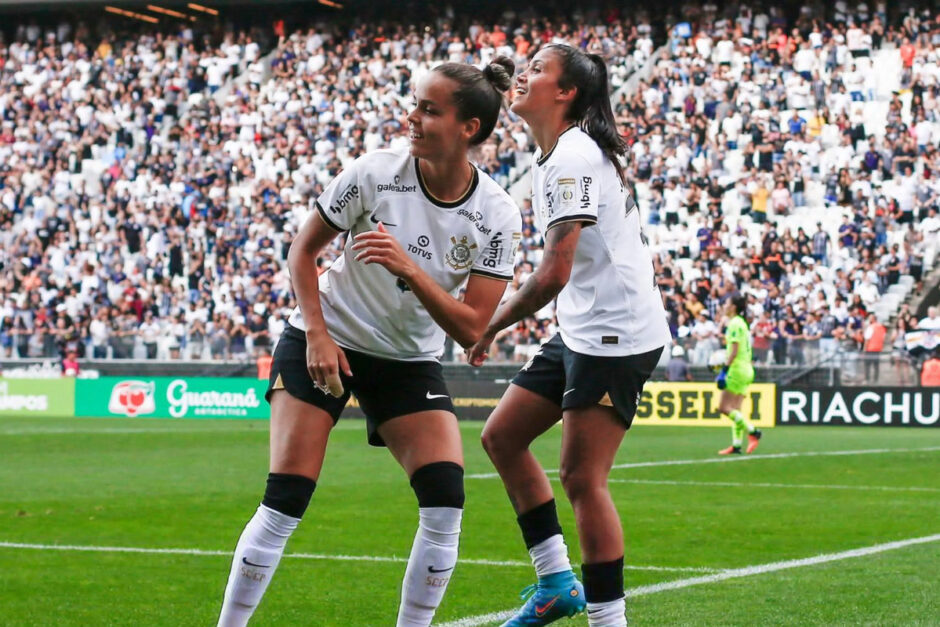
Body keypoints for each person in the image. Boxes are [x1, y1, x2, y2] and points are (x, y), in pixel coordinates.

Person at [216, 57, 522, 627]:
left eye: (429, 110)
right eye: (414, 103)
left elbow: (472, 327)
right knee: (285, 499)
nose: (412, 118)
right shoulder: (374, 172)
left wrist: (411, 268)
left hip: (407, 360)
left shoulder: (497, 213)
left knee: (445, 502)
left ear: (469, 129)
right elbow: (302, 252)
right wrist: (317, 334)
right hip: (327, 336)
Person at [467, 44, 671, 627]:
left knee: (583, 478)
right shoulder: (559, 147)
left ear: (566, 94)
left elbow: (553, 273)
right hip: (583, 327)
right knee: (502, 437)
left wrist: (487, 322)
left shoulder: (573, 157)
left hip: (616, 334)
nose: (525, 79)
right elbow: (515, 92)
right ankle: (557, 582)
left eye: (540, 72)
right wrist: (506, 75)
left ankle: (609, 620)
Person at [716, 294, 762, 455]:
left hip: (737, 369)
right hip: (747, 368)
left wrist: (724, 371)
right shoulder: (742, 323)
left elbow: (734, 351)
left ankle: (753, 431)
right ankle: (736, 445)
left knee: (723, 407)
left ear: (733, 307)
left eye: (727, 303)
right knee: (736, 409)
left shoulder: (734, 323)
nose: (724, 306)